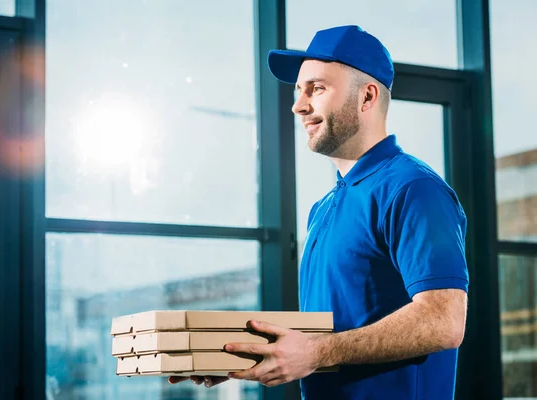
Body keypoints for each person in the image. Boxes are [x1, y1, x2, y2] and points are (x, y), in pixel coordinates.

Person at [169, 25, 469, 399]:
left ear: (367, 97)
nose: (298, 105)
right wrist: (244, 357)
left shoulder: (413, 189)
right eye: (299, 90)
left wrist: (315, 352)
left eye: (317, 88)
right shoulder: (325, 207)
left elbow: (443, 321)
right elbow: (332, 334)